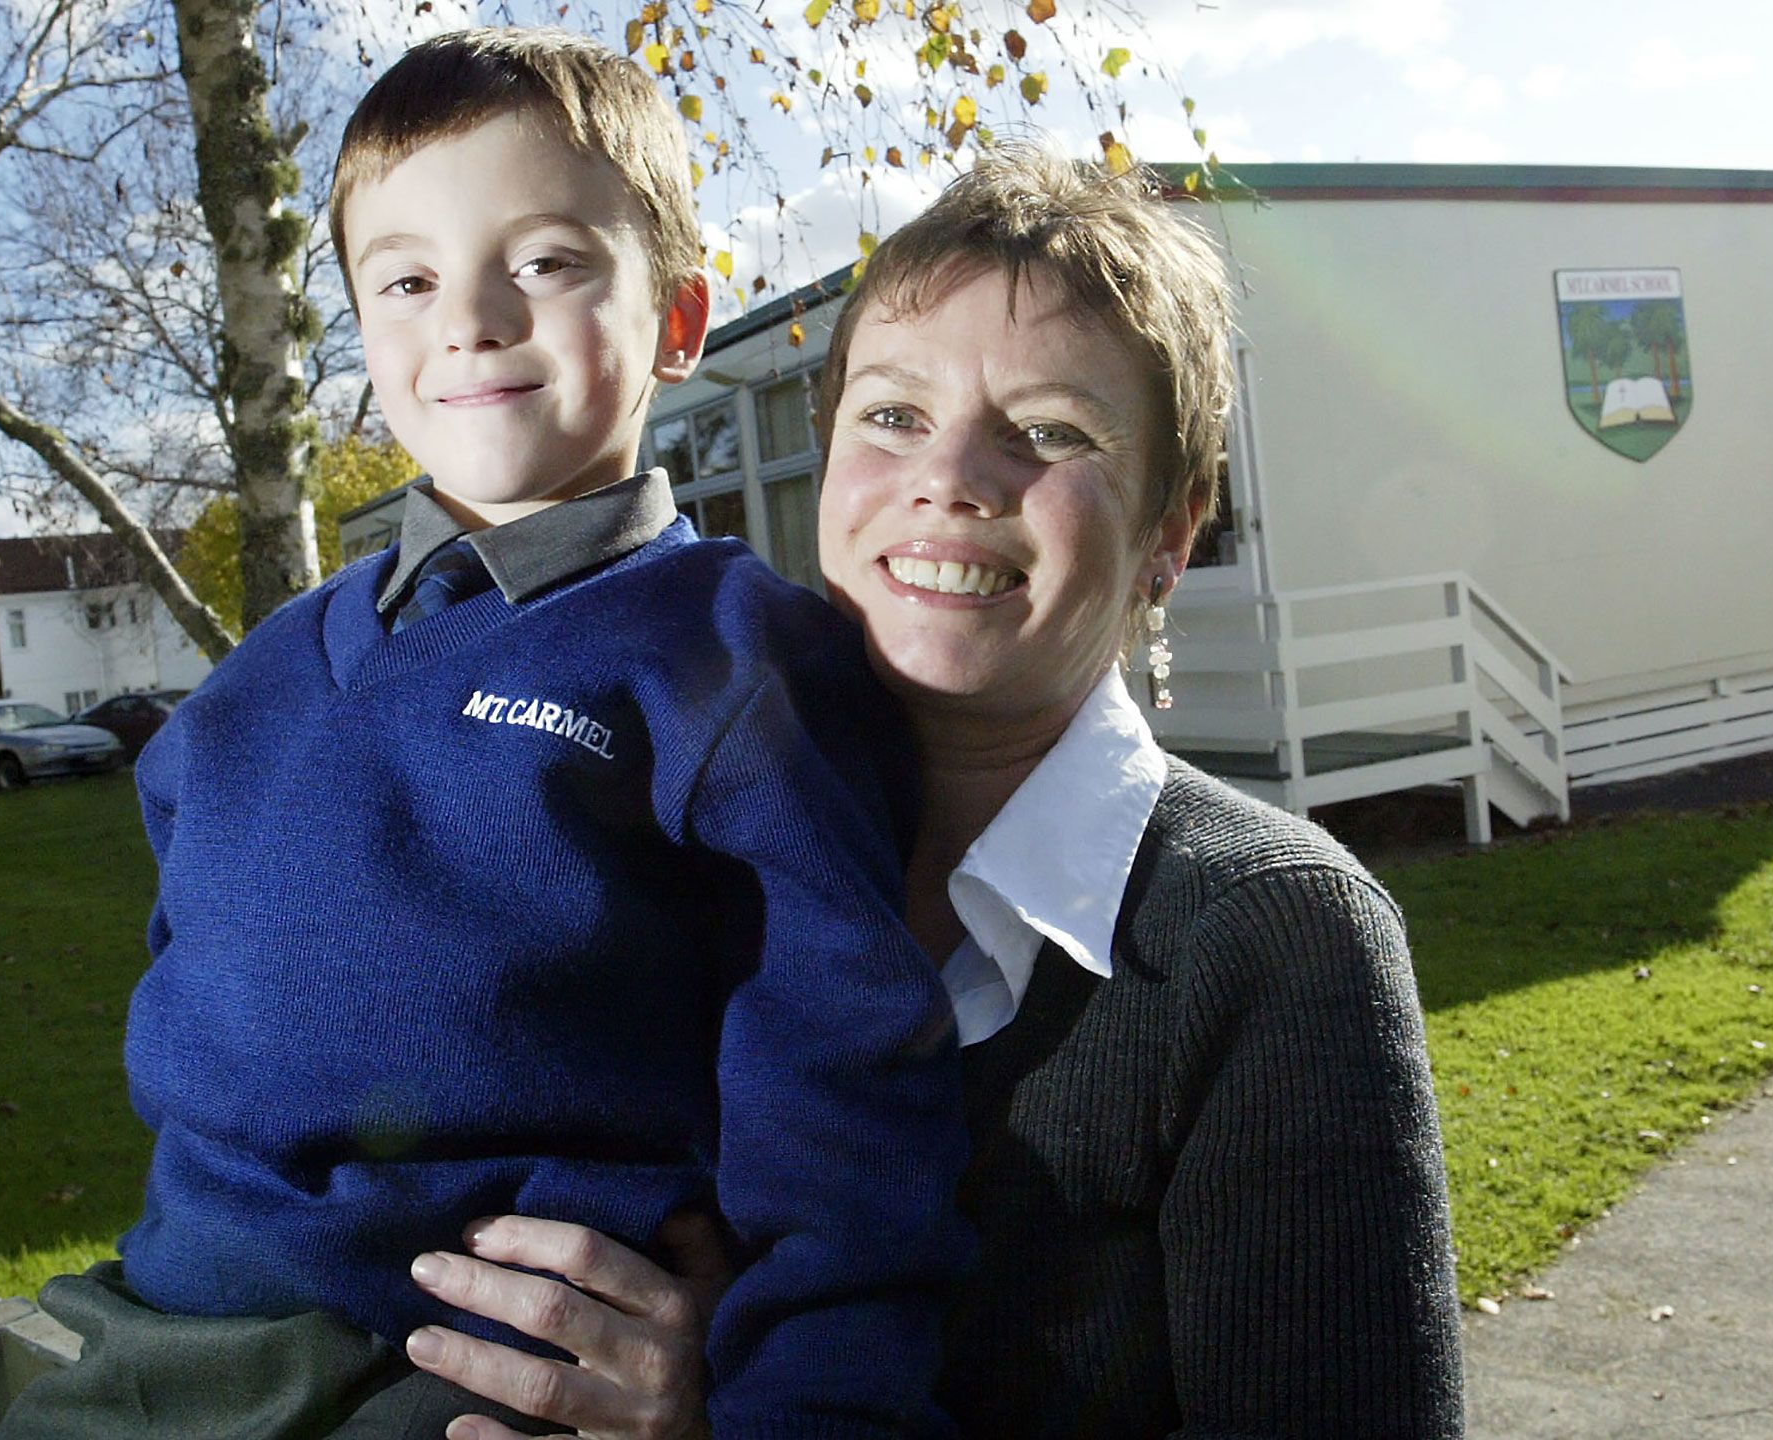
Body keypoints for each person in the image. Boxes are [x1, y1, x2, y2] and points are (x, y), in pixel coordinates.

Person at [399, 143, 1467, 1439]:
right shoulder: (662, 869)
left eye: (1050, 433)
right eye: (894, 415)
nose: (953, 477)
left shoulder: (1269, 940)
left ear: (1169, 536)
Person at [0, 29, 971, 1440]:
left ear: (680, 323)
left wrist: (802, 1405)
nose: (472, 318)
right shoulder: (248, 694)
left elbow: (849, 1098)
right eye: (407, 279)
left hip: (463, 1372)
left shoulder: (728, 660)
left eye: (549, 262)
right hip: (152, 1345)